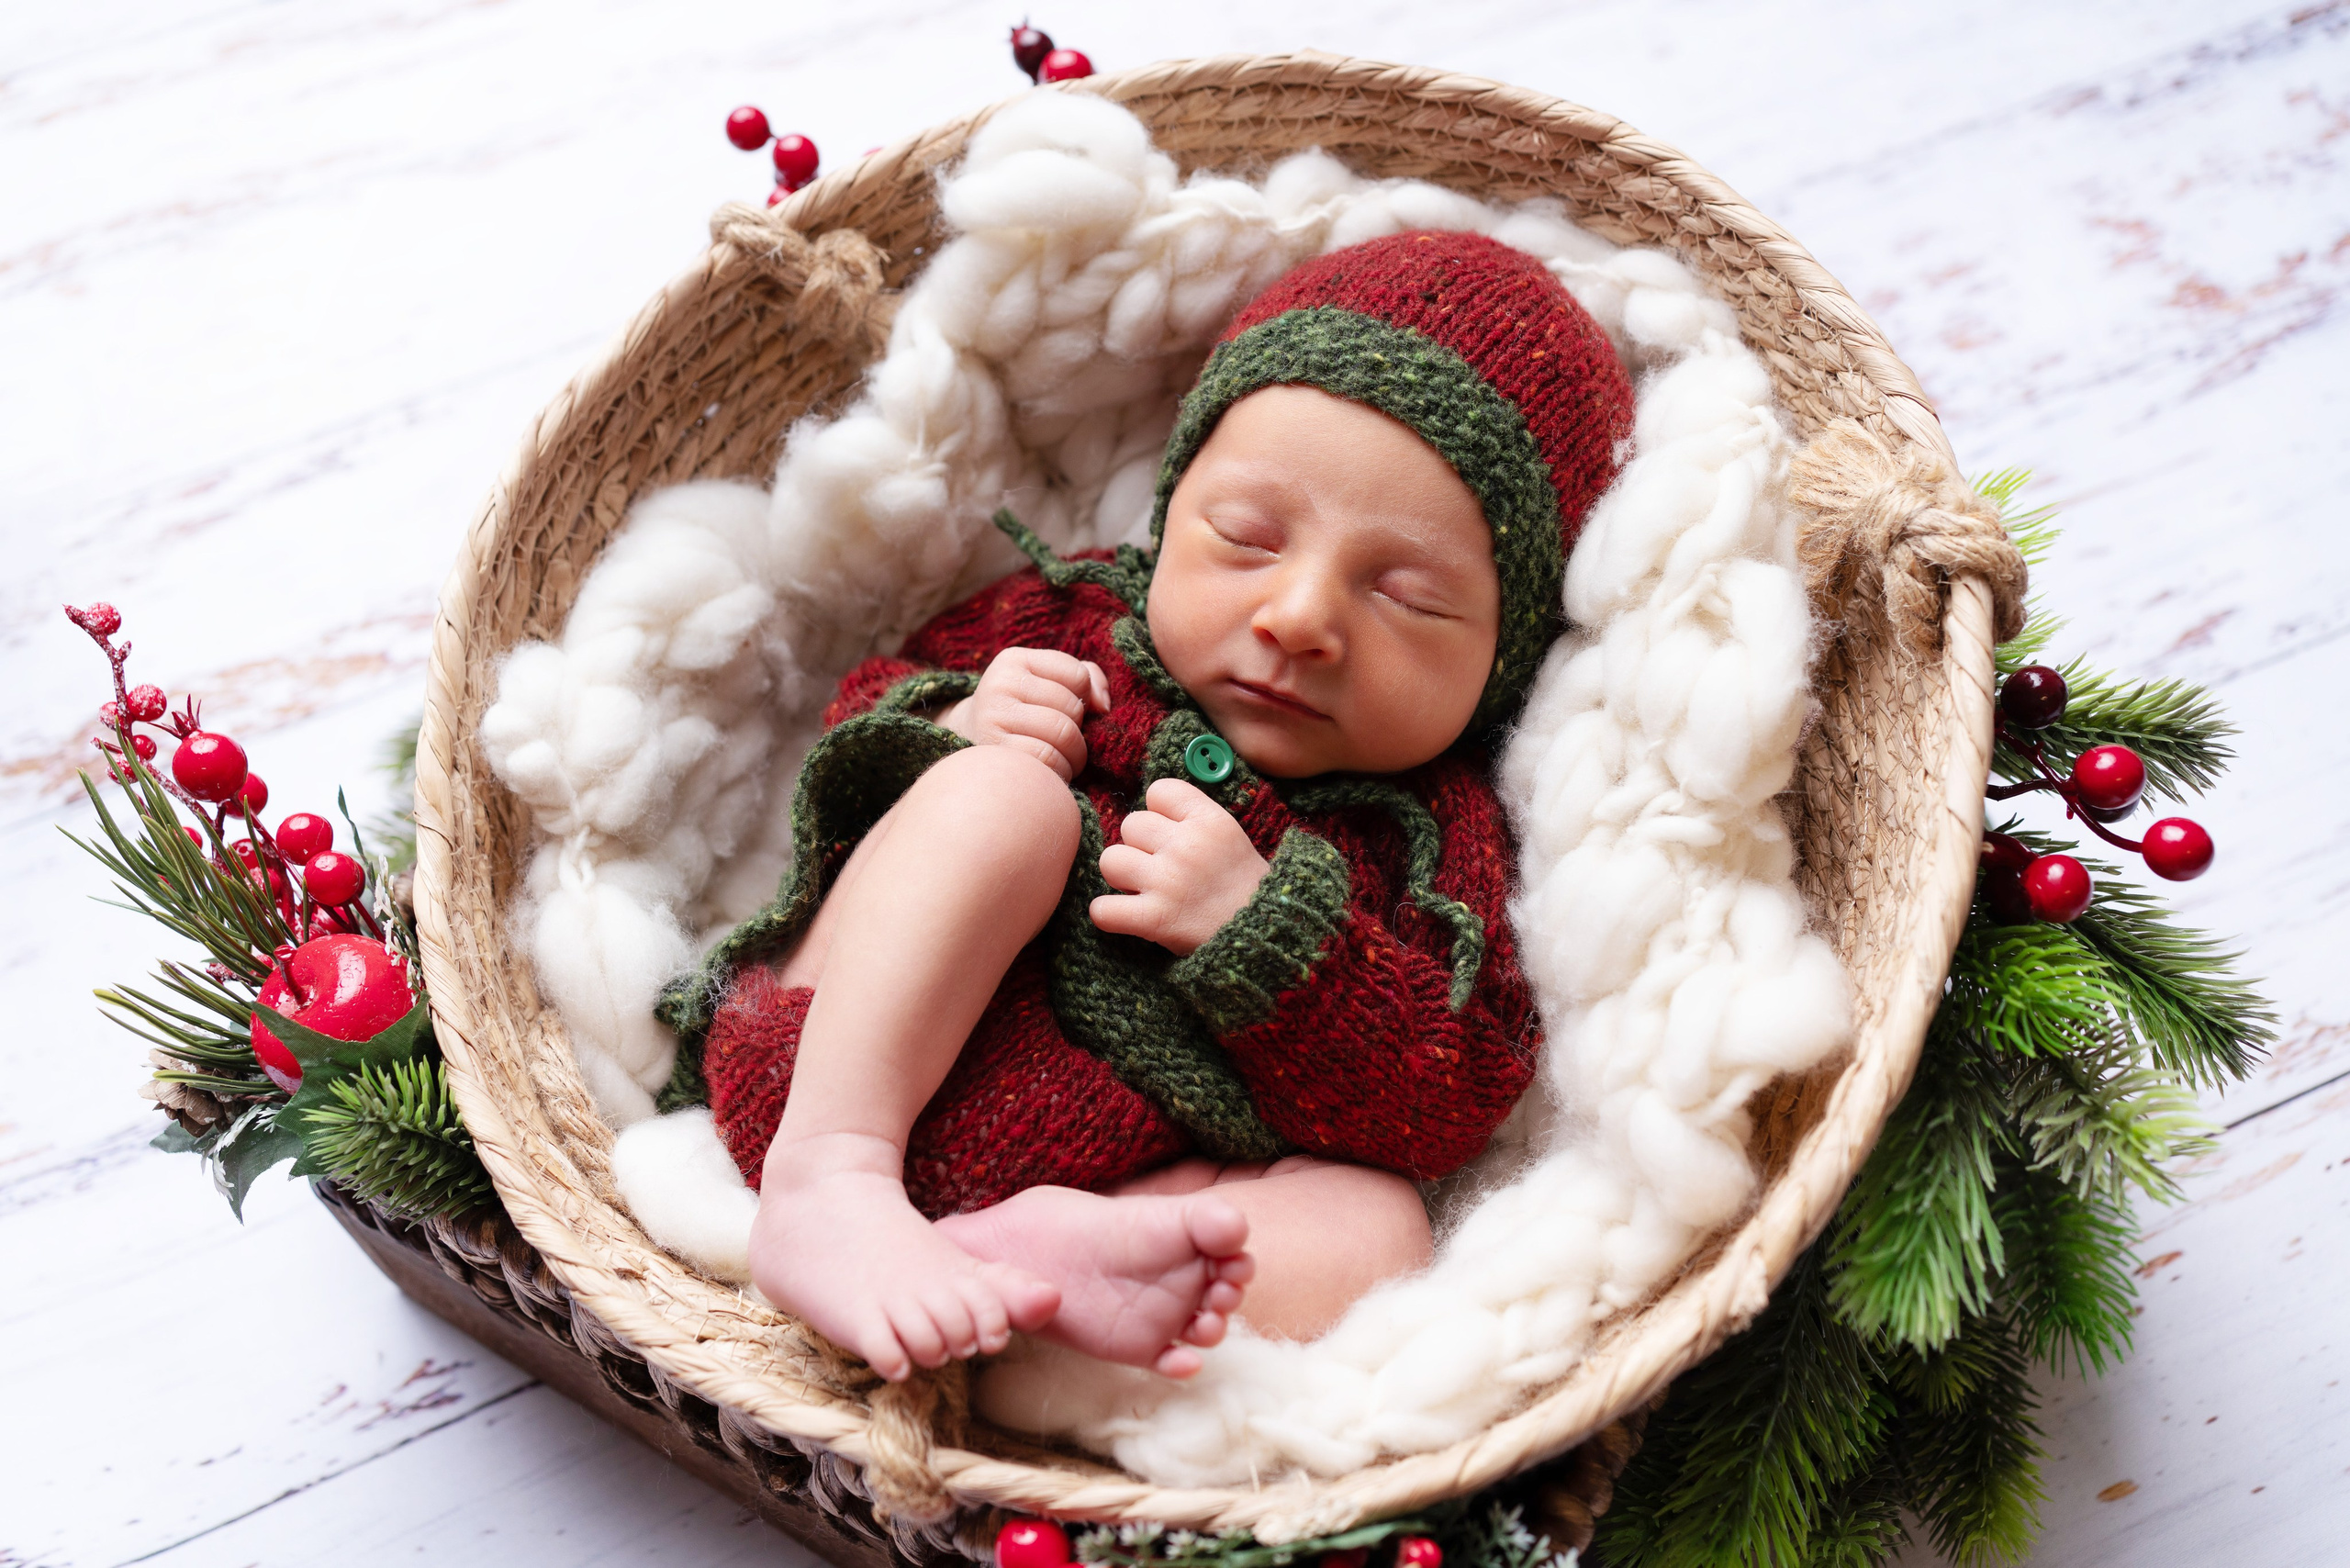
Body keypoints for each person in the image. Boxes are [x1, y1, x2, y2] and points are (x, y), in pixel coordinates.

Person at [654, 230, 1635, 1383]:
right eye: (1247, 539)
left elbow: (1449, 1088)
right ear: (1169, 515)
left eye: (1406, 597)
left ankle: (1043, 1271)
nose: (1300, 615)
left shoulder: (1429, 838)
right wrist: (951, 726)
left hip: (1105, 1195)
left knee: (1380, 1226)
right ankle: (829, 1182)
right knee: (1006, 804)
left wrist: (1268, 936)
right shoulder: (1075, 623)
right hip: (831, 1061)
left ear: (1501, 662)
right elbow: (855, 722)